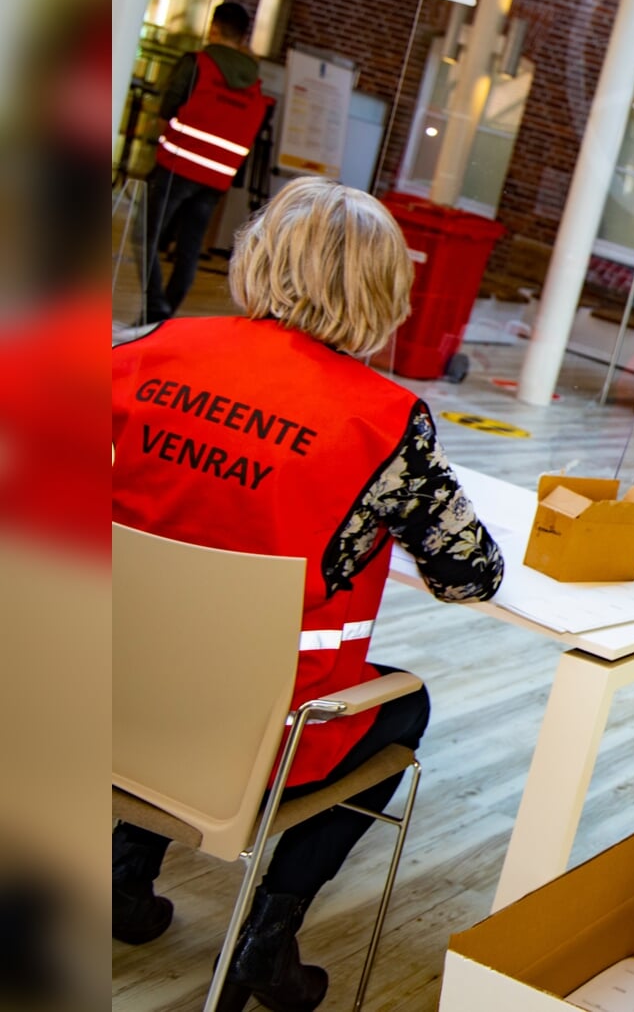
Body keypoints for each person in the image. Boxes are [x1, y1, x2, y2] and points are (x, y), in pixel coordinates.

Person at [111, 178, 506, 1012]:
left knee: (171, 642)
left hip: (97, 686)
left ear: (259, 256)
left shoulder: (144, 351)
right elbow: (469, 574)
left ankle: (124, 873)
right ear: (382, 296)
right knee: (404, 708)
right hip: (256, 738)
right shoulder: (385, 426)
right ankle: (267, 938)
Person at [142, 1, 272, 324]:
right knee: (190, 247)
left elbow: (168, 107)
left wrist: (166, 140)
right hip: (216, 178)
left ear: (213, 28)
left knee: (145, 234)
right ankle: (166, 316)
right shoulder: (254, 79)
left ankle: (156, 307)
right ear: (243, 36)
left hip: (177, 165)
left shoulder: (198, 63)